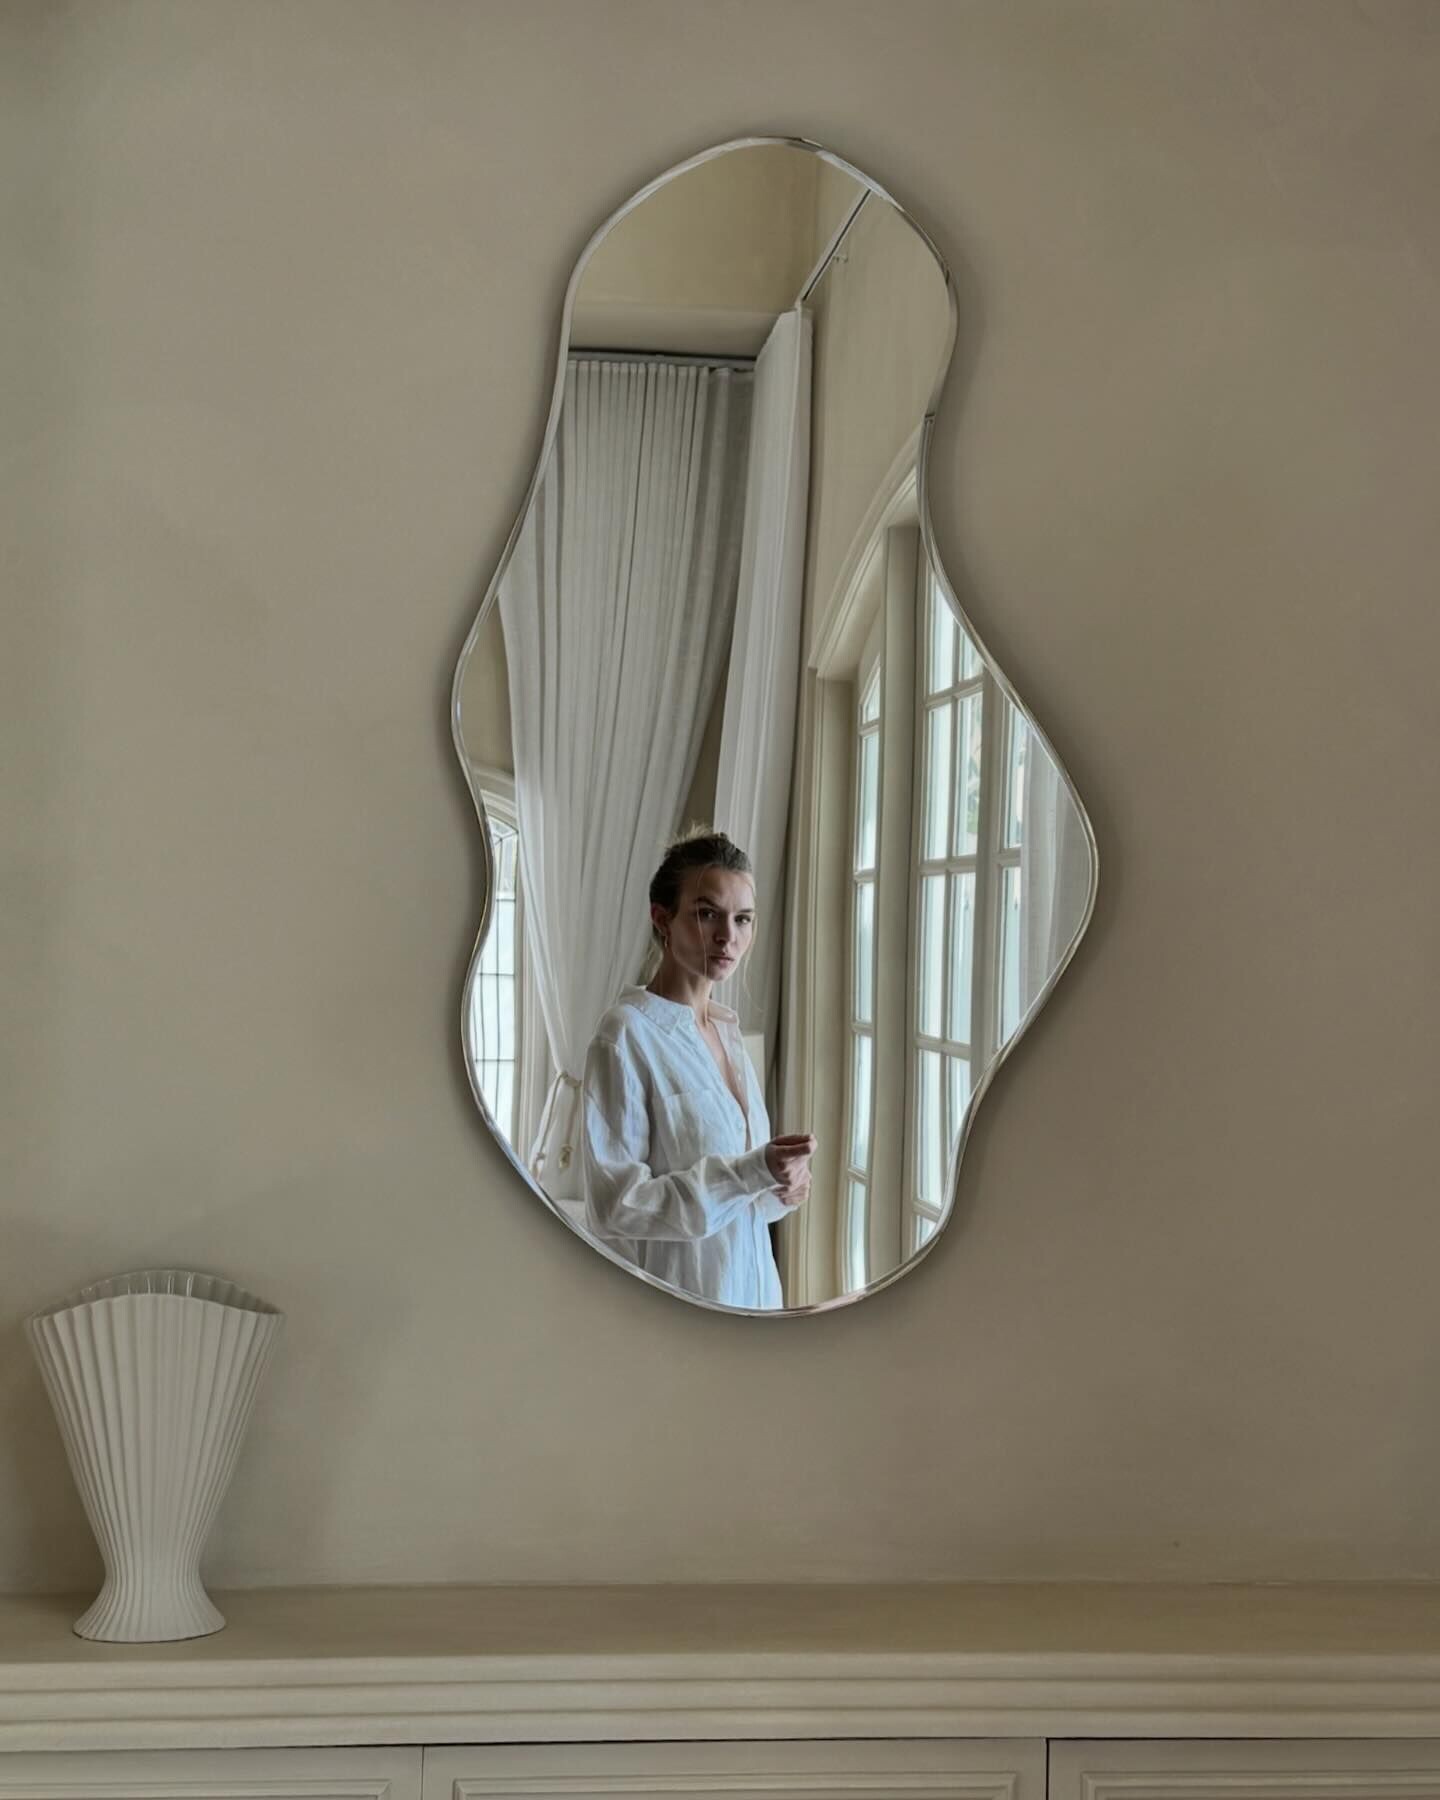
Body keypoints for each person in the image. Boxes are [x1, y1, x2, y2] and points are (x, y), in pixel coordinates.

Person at [580, 829, 815, 1310]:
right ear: (662, 918)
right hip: (680, 1319)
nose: (728, 936)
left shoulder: (728, 1034)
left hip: (755, 1306)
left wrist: (783, 1185)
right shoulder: (625, 1035)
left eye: (743, 919)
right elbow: (615, 1207)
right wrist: (751, 1171)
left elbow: (746, 1204)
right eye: (707, 914)